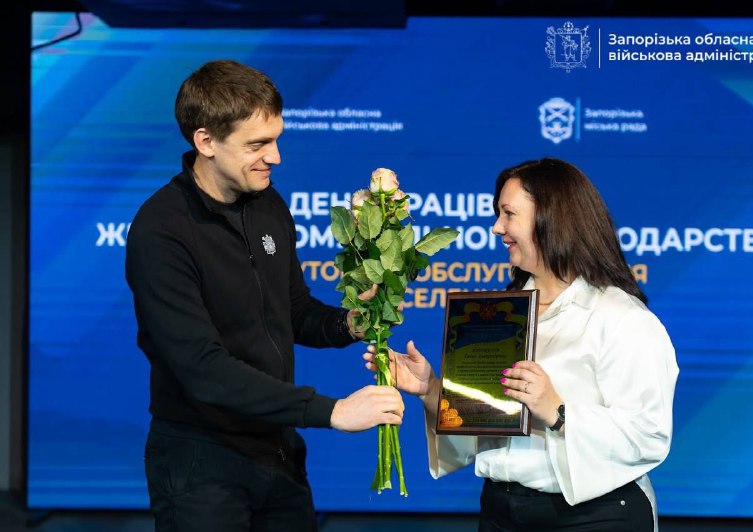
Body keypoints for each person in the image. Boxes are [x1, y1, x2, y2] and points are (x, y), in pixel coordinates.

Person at [125, 59, 404, 532]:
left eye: (275, 139)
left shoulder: (269, 205)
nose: (275, 157)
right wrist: (332, 411)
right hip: (202, 464)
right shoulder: (161, 230)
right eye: (257, 145)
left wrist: (350, 323)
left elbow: (292, 311)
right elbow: (203, 369)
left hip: (279, 451)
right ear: (206, 142)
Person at [364, 158, 678, 531]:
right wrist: (432, 390)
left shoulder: (621, 318)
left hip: (594, 517)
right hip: (502, 511)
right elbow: (488, 419)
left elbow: (649, 434)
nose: (497, 227)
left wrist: (559, 412)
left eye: (508, 214)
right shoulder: (502, 312)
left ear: (552, 218)